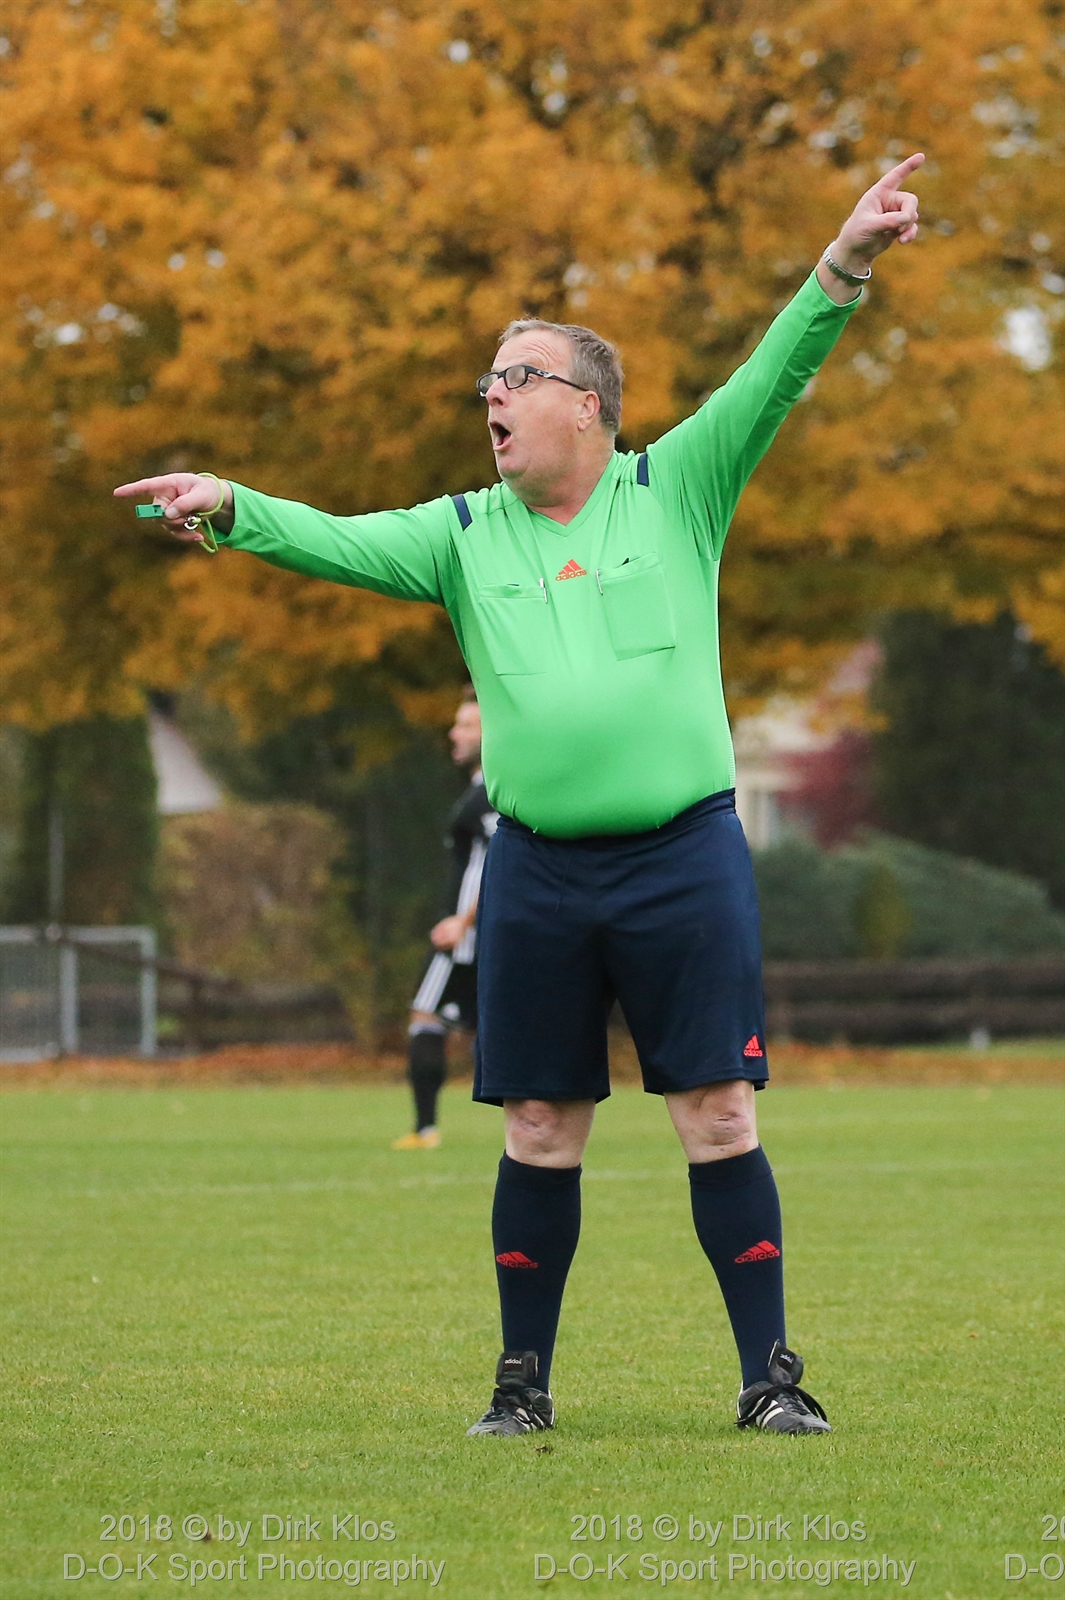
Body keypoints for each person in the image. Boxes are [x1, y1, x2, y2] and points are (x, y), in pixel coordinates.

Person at [115, 154, 923, 1438]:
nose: (490, 394)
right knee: (540, 1123)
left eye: (518, 376)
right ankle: (521, 1386)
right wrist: (229, 508)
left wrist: (846, 259)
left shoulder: (678, 487)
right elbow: (335, 537)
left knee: (718, 1112)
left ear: (589, 407)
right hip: (539, 867)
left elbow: (774, 373)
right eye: (487, 380)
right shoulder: (460, 532)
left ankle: (771, 1379)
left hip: (686, 857)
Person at [391, 687, 497, 1150]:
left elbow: (498, 862)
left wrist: (463, 921)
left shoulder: (490, 794)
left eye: (467, 725)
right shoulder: (481, 790)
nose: (455, 733)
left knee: (426, 1014)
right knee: (483, 1025)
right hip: (475, 934)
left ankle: (425, 1129)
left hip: (465, 937)